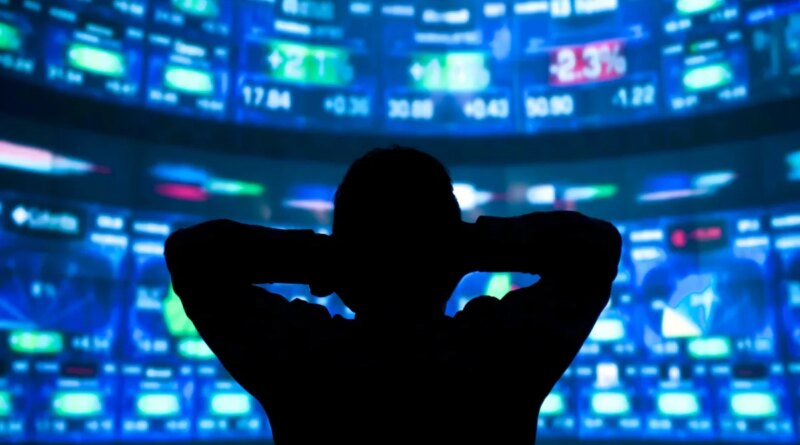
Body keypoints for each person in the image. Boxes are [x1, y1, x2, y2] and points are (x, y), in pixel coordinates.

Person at [164, 147, 622, 445]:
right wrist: (462, 245)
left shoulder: (304, 358)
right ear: (450, 253)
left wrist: (330, 255)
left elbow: (194, 255)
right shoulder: (499, 355)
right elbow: (594, 248)